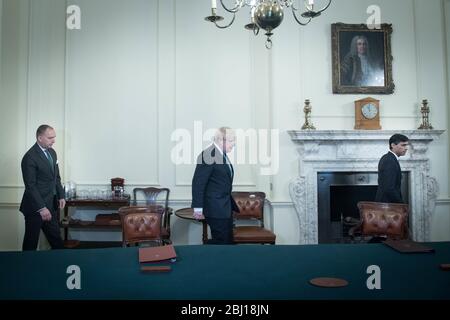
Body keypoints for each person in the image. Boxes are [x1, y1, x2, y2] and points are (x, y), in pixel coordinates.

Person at [20, 125, 65, 250]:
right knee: (31, 244)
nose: (54, 140)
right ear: (40, 138)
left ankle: (64, 268)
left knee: (57, 241)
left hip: (51, 205)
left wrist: (61, 195)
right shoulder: (30, 157)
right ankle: (26, 269)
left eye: (54, 137)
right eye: (50, 138)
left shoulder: (52, 153)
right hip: (35, 208)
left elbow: (56, 177)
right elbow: (30, 186)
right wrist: (41, 208)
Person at [191, 127, 240, 244]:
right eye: (232, 140)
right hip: (215, 209)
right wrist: (198, 209)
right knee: (222, 244)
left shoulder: (221, 154)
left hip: (224, 208)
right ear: (220, 140)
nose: (234, 144)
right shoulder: (208, 154)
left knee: (227, 242)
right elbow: (198, 184)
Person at [375, 134, 409, 203]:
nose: (406, 148)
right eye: (403, 145)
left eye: (406, 145)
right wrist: (400, 204)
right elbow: (389, 188)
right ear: (393, 145)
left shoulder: (390, 158)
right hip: (387, 207)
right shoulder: (389, 160)